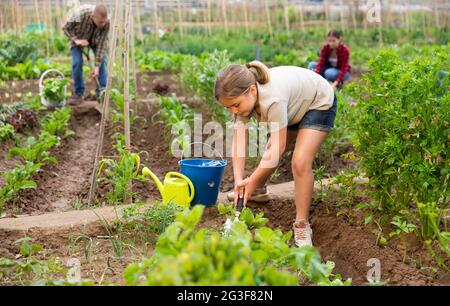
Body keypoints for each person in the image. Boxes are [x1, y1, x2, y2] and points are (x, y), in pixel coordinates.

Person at [215, 61, 337, 247]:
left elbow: (277, 150)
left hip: (318, 102)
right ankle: (258, 191)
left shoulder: (273, 100)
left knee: (300, 161)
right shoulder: (242, 101)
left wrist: (252, 180)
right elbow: (239, 143)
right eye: (228, 108)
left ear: (252, 91)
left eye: (235, 105)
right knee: (270, 151)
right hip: (295, 106)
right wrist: (239, 181)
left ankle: (302, 224)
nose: (233, 110)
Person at [62, 4, 110, 105]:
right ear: (92, 16)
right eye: (100, 22)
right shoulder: (78, 14)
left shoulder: (106, 22)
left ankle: (102, 94)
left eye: (104, 22)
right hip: (78, 38)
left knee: (102, 63)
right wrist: (77, 40)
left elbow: (102, 44)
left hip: (95, 40)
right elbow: (65, 28)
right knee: (77, 62)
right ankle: (79, 94)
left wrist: (97, 65)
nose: (103, 24)